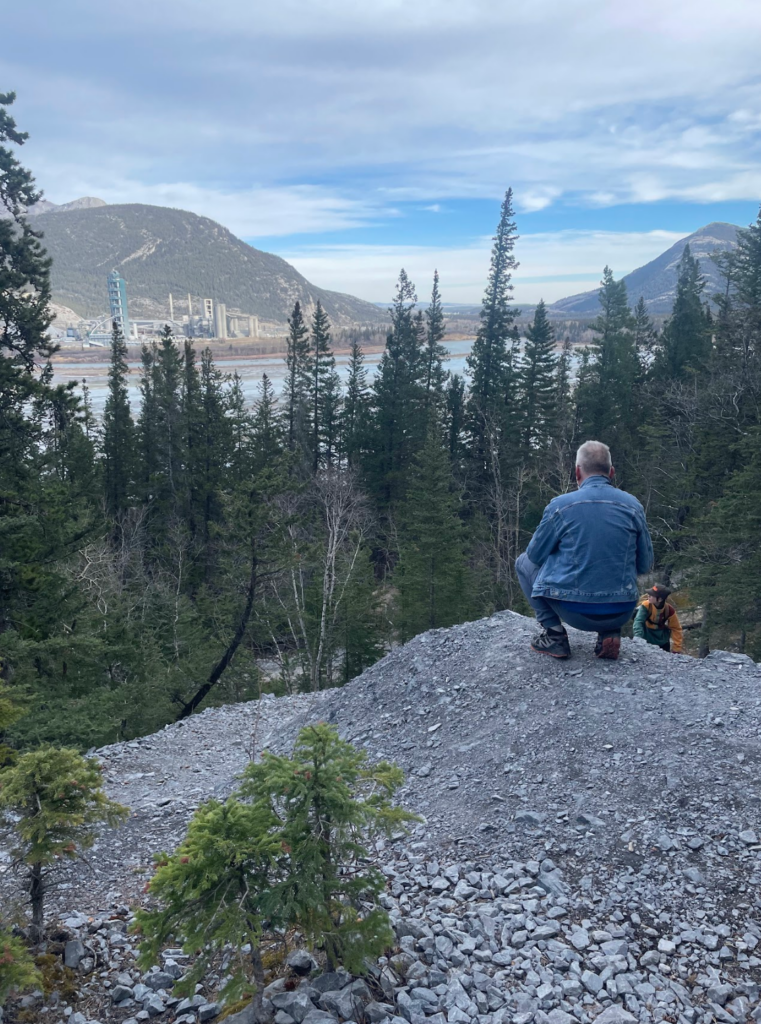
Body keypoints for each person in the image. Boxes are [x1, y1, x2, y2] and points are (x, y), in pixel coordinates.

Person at [516, 440, 654, 661]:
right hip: (622, 610)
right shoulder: (633, 506)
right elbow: (645, 564)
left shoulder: (560, 506)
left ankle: (555, 636)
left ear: (577, 472)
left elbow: (534, 556)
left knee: (522, 562)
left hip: (575, 612)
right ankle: (609, 632)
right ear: (611, 472)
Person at [632, 584, 683, 653]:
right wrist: (638, 637)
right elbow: (638, 621)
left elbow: (676, 629)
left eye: (652, 595)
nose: (648, 596)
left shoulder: (669, 611)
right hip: (646, 639)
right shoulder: (645, 606)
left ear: (660, 599)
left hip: (662, 643)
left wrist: (676, 649)